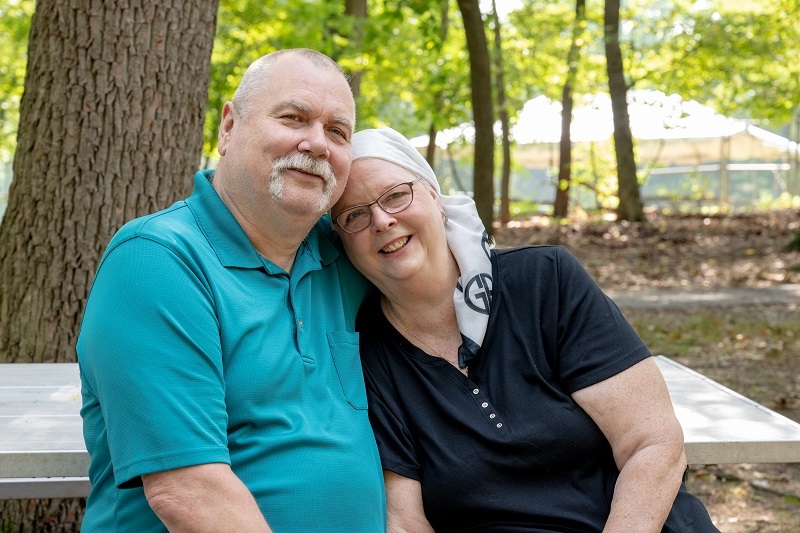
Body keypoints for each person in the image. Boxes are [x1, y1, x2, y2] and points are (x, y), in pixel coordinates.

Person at [330, 126, 718, 532]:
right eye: (354, 215)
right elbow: (405, 520)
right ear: (342, 242)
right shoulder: (366, 351)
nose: (381, 220)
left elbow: (653, 443)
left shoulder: (544, 280)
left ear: (435, 197)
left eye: (396, 195)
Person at [77, 49, 386, 532]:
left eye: (337, 132)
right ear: (228, 128)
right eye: (293, 117)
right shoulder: (157, 260)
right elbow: (189, 495)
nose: (318, 143)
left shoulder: (349, 258)